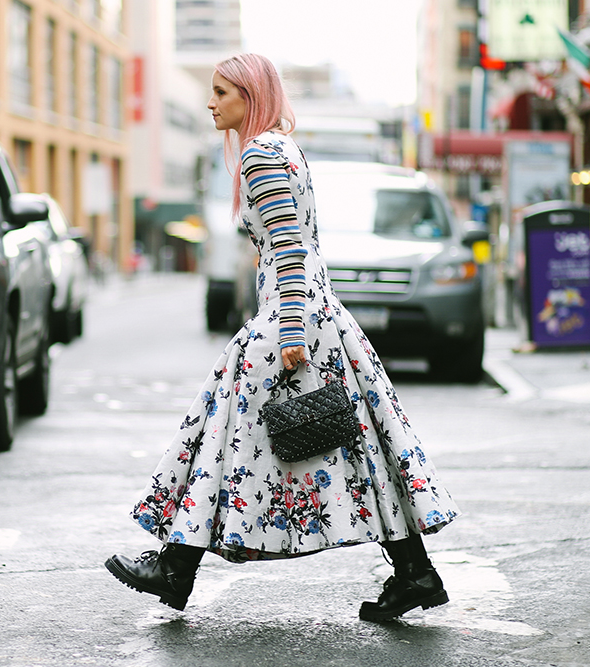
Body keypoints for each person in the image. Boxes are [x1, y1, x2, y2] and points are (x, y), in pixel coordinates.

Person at [104, 53, 459, 622]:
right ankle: (414, 571)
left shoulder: (261, 154)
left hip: (292, 315)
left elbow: (290, 245)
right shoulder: (277, 147)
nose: (211, 102)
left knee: (224, 432)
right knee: (351, 443)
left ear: (250, 97)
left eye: (222, 92)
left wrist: (290, 327)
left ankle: (175, 567)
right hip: (310, 309)